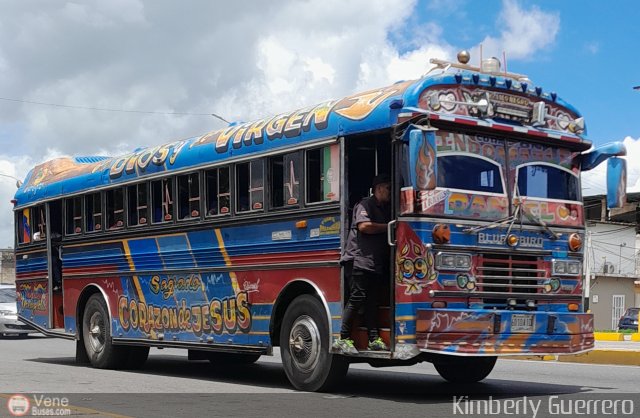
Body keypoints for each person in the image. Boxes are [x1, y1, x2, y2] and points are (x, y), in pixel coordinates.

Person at [333, 173, 391, 354]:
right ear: (379, 188)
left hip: (374, 262)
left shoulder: (384, 208)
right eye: (388, 188)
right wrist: (388, 226)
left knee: (372, 301)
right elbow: (364, 226)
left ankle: (373, 339)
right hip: (358, 261)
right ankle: (343, 338)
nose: (390, 192)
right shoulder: (365, 204)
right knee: (357, 299)